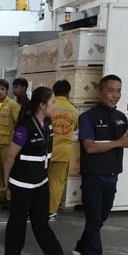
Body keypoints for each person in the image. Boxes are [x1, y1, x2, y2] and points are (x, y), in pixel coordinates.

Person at [73, 74, 128, 255]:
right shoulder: (88, 117)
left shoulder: (120, 116)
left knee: (100, 218)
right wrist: (118, 143)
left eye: (118, 91)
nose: (115, 95)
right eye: (111, 91)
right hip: (93, 176)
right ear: (100, 92)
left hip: (112, 176)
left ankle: (82, 247)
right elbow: (90, 147)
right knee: (94, 220)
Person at [3, 86, 72, 255]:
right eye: (53, 103)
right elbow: (10, 157)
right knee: (17, 221)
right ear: (42, 105)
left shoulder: (48, 123)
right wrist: (6, 182)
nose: (55, 106)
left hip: (41, 182)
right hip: (22, 183)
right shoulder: (24, 127)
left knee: (41, 221)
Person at [47, 79, 79, 220]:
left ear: (54, 92)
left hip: (46, 150)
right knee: (57, 182)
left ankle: (38, 208)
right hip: (63, 151)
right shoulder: (74, 110)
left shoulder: (49, 106)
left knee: (41, 181)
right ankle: (51, 211)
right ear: (68, 92)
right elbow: (76, 127)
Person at [0, 79, 20, 207]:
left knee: (9, 172)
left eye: (2, 89)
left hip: (7, 144)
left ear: (7, 91)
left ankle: (10, 197)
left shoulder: (13, 105)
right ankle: (0, 194)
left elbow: (19, 123)